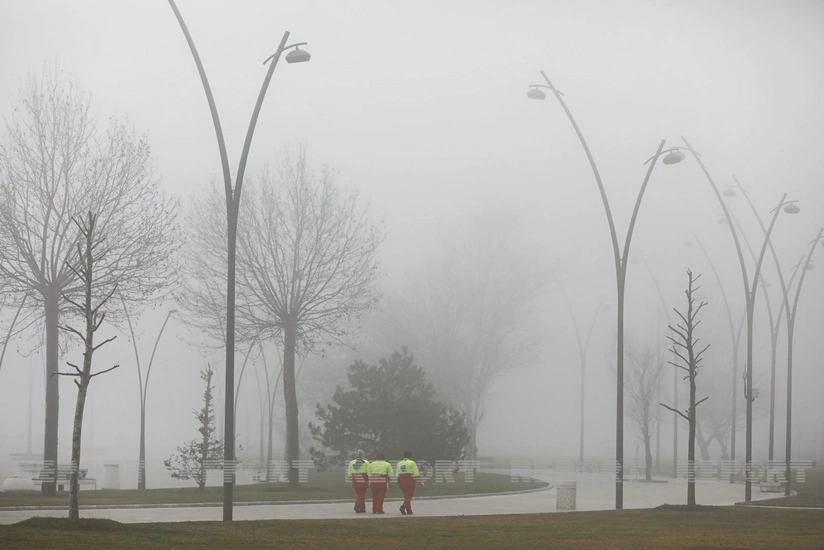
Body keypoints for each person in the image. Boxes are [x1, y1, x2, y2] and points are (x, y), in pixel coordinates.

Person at [396, 450, 424, 515]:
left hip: (402, 479)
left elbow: (397, 474)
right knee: (409, 495)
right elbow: (416, 473)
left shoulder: (399, 463)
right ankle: (403, 507)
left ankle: (409, 510)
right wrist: (421, 481)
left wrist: (398, 482)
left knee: (406, 496)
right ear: (410, 457)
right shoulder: (412, 463)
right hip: (410, 480)